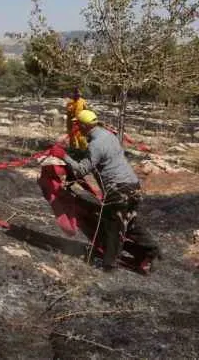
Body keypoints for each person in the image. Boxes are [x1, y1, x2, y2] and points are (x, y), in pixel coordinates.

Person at [49, 109, 160, 274]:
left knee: (113, 226)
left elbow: (81, 170)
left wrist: (63, 155)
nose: (76, 128)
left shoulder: (96, 144)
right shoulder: (109, 135)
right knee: (129, 223)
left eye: (78, 125)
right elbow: (96, 157)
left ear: (83, 126)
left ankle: (109, 265)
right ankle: (151, 250)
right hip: (133, 185)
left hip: (118, 189)